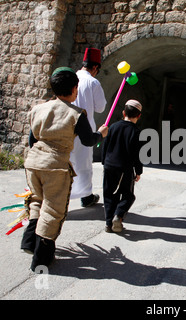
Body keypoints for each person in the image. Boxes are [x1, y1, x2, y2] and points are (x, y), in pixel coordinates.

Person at [21, 67, 108, 271]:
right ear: (74, 88)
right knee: (53, 210)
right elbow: (88, 140)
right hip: (55, 166)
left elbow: (32, 139)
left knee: (36, 200)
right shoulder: (76, 114)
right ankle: (41, 259)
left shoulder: (37, 109)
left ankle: (28, 242)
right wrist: (101, 134)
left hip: (33, 163)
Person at [70, 47, 107, 207]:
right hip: (85, 126)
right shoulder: (93, 82)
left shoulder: (72, 77)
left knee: (67, 160)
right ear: (95, 67)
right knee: (83, 162)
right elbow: (100, 107)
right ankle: (86, 196)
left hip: (67, 124)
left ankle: (61, 192)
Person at [102, 99, 143, 233]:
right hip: (124, 169)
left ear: (123, 112)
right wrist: (138, 171)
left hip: (109, 166)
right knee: (128, 195)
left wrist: (104, 161)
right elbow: (137, 154)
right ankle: (119, 215)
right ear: (138, 116)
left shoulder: (113, 126)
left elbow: (105, 145)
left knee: (109, 194)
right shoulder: (135, 132)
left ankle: (108, 224)